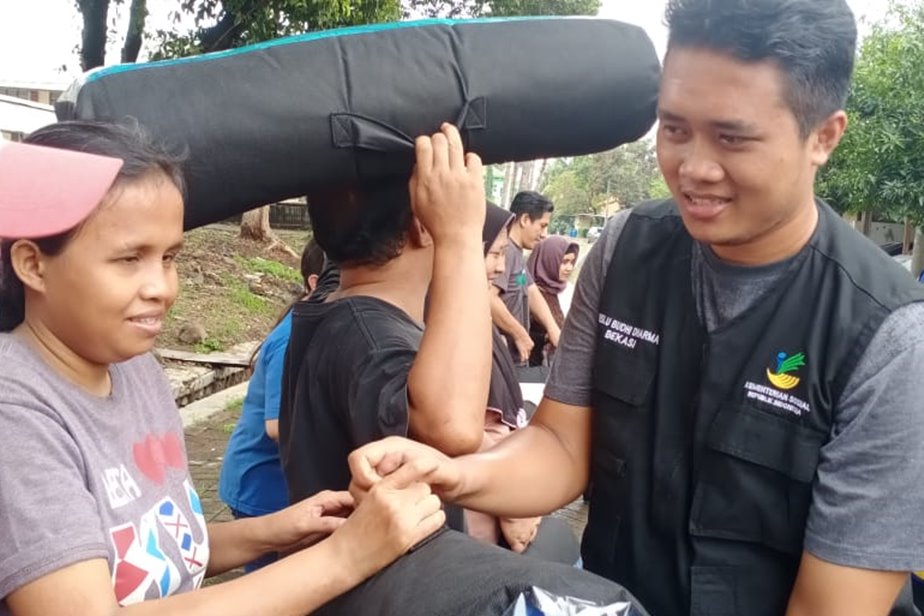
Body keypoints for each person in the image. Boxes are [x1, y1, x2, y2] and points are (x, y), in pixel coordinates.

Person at [348, 2, 924, 615]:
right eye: (674, 129)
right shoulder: (625, 250)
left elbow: (831, 608)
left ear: (823, 137)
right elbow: (563, 449)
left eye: (733, 137)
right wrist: (458, 475)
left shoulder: (886, 339)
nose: (693, 169)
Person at [0, 122, 446, 616]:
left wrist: (279, 528)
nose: (161, 288)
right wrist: (345, 557)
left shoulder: (135, 371)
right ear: (33, 265)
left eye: (169, 257)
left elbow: (157, 552)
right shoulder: (16, 414)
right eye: (129, 258)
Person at [280, 124, 492, 521]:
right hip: (384, 580)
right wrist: (461, 235)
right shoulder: (367, 334)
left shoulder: (340, 315)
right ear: (423, 225)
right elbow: (452, 429)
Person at [469, 201, 579, 563]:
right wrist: (514, 504)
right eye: (493, 255)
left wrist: (550, 328)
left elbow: (523, 289)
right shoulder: (452, 330)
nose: (500, 266)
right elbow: (472, 429)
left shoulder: (516, 263)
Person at [217, 239, 325, 572]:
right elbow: (277, 425)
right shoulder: (292, 337)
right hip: (262, 486)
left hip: (281, 483)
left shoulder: (316, 326)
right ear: (315, 283)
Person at [491, 190, 561, 364]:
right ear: (524, 220)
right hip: (502, 357)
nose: (544, 234)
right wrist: (519, 333)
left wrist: (553, 329)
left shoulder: (518, 256)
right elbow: (488, 297)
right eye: (542, 225)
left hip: (516, 357)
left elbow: (528, 288)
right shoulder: (505, 252)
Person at [525, 236, 579, 366]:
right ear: (549, 260)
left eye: (572, 262)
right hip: (534, 368)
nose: (569, 268)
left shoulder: (570, 290)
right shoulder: (528, 291)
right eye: (564, 262)